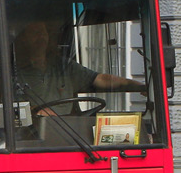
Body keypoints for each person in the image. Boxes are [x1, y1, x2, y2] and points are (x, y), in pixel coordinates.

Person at [13, 20, 145, 116]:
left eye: (43, 33)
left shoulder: (63, 66)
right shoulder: (14, 72)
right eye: (35, 33)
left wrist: (138, 86)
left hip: (72, 134)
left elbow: (101, 79)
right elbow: (10, 110)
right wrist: (36, 110)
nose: (41, 37)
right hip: (34, 136)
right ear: (24, 39)